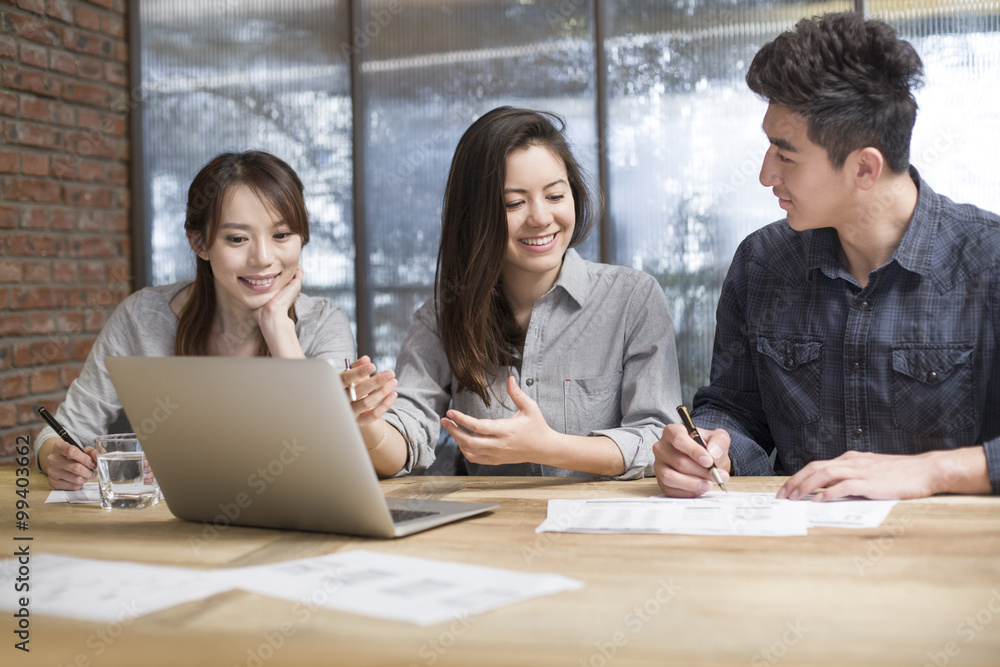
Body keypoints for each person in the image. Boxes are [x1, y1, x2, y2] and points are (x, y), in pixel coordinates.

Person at [653, 12, 1000, 501]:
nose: (765, 174)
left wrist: (932, 472)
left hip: (949, 559)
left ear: (864, 168)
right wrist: (712, 443)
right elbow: (735, 408)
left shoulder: (988, 261)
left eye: (785, 154)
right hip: (795, 552)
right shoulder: (762, 262)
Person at [351, 106, 681, 478]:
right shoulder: (444, 314)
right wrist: (367, 424)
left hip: (603, 528)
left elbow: (659, 442)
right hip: (493, 532)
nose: (540, 218)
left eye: (555, 196)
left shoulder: (633, 299)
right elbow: (405, 433)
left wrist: (549, 447)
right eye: (514, 203)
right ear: (475, 215)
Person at [36, 151, 371, 489]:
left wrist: (278, 325)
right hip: (167, 528)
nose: (263, 258)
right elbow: (59, 432)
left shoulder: (323, 324)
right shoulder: (141, 318)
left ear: (303, 237)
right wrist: (57, 458)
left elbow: (330, 459)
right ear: (199, 242)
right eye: (237, 238)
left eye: (281, 235)